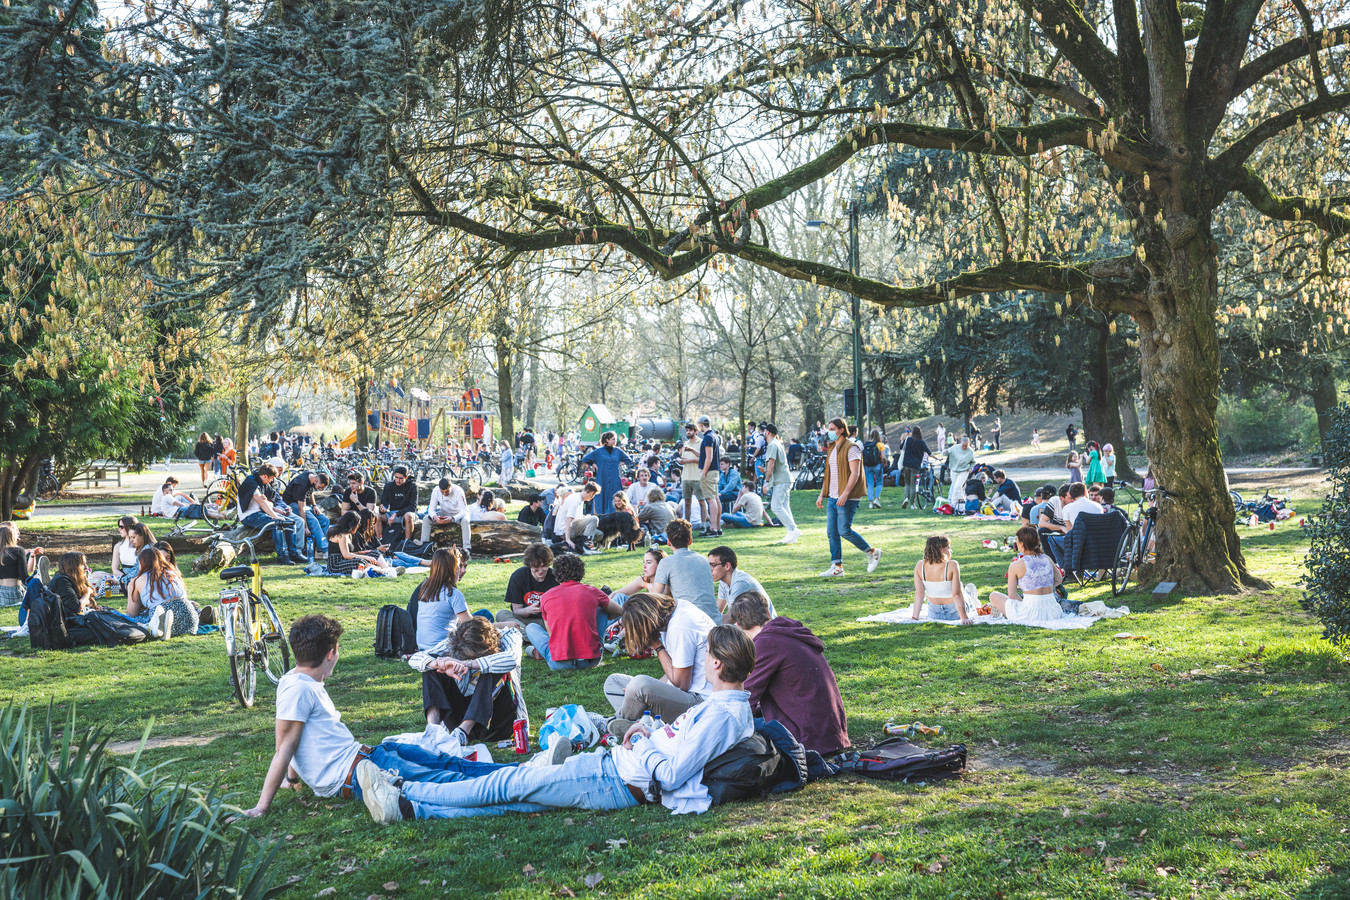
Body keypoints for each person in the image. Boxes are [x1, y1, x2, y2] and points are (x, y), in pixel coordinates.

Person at [355, 625, 756, 822]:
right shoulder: (727, 707)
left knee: (506, 784)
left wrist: (641, 745)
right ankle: (410, 808)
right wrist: (647, 730)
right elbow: (679, 748)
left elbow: (670, 774)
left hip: (615, 777)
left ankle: (404, 789)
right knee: (514, 801)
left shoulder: (723, 715)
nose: (702, 659)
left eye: (707, 654)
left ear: (717, 663)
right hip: (617, 770)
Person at [239, 615, 562, 821]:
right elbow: (285, 746)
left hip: (372, 754)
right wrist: (262, 806)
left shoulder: (296, 682)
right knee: (448, 779)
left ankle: (526, 769)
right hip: (362, 772)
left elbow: (293, 741)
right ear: (332, 652)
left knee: (449, 764)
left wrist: (292, 779)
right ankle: (533, 781)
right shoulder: (300, 690)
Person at [727, 592, 850, 756]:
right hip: (832, 734)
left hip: (808, 739)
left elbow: (746, 696)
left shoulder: (766, 643)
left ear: (739, 625)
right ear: (767, 613)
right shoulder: (787, 632)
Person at [602, 591, 719, 735]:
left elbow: (682, 683)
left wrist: (657, 646)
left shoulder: (680, 627)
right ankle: (641, 724)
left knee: (639, 685)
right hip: (687, 693)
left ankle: (613, 721)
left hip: (700, 703)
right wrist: (646, 694)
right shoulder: (673, 613)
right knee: (613, 682)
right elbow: (675, 671)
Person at [411, 615, 527, 746]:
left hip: (499, 721)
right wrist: (439, 664)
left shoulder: (509, 635)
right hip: (461, 715)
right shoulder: (457, 640)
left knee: (493, 667)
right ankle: (433, 730)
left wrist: (467, 664)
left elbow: (511, 659)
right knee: (431, 668)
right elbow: (416, 658)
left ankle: (463, 731)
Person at [525, 553, 624, 670]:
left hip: (559, 663)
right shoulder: (592, 591)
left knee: (531, 627)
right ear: (581, 572)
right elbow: (619, 611)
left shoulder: (546, 596)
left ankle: (538, 651)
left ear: (556, 573)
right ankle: (594, 643)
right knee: (602, 608)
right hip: (591, 660)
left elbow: (551, 634)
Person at [816, 417, 882, 578]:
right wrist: (822, 494)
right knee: (832, 532)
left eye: (832, 429)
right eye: (829, 429)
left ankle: (872, 552)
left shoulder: (851, 447)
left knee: (844, 529)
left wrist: (845, 493)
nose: (830, 432)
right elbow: (829, 474)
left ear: (841, 430)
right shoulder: (832, 447)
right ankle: (837, 566)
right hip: (833, 496)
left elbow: (855, 473)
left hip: (847, 496)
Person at [988, 527, 1064, 623]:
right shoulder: (1047, 558)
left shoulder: (1016, 565)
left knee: (993, 596)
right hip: (1053, 610)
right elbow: (1059, 580)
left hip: (1030, 612)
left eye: (1017, 541)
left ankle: (1002, 611)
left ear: (1022, 543)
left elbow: (1012, 595)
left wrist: (1026, 601)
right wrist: (1045, 587)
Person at [648, 519, 719, 622]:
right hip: (714, 619)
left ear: (668, 542)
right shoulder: (703, 560)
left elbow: (655, 597)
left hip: (689, 621)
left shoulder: (666, 562)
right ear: (690, 540)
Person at [238, 463, 307, 564]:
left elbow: (267, 503)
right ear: (265, 476)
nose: (271, 481)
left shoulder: (261, 482)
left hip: (260, 513)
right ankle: (282, 556)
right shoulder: (251, 483)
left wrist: (278, 511)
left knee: (290, 523)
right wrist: (275, 517)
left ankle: (293, 553)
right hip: (249, 516)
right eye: (271, 479)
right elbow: (261, 503)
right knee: (277, 524)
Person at [126, 546, 199, 638]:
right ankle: (159, 626)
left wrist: (130, 589)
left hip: (163, 612)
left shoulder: (138, 580)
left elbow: (132, 614)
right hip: (190, 622)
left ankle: (155, 627)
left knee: (129, 619)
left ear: (142, 563)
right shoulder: (173, 572)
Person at [407, 548, 471, 650]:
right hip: (444, 650)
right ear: (452, 568)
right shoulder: (454, 594)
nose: (461, 570)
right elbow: (471, 626)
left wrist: (452, 553)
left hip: (422, 648)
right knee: (484, 615)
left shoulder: (425, 587)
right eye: (459, 566)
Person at [910, 535, 973, 624]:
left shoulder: (920, 565)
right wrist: (964, 618)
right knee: (960, 587)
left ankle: (969, 596)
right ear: (942, 550)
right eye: (949, 548)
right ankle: (970, 598)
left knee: (958, 588)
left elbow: (919, 594)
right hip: (954, 613)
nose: (951, 551)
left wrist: (914, 618)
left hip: (934, 613)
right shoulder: (952, 564)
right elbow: (956, 594)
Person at [495, 543, 559, 629]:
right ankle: (530, 635)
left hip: (547, 621)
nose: (540, 571)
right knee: (501, 614)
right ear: (529, 565)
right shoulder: (518, 576)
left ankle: (527, 635)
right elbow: (517, 610)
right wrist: (529, 610)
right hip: (524, 620)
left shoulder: (556, 578)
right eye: (535, 567)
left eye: (543, 566)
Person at [707, 546, 773, 619]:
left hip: (763, 628)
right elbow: (717, 612)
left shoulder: (741, 583)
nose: (709, 570)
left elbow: (729, 619)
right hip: (747, 624)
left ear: (727, 566)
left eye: (713, 565)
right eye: (708, 565)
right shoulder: (724, 581)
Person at [761, 424, 799, 544]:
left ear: (767, 432)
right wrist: (765, 470)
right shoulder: (777, 443)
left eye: (764, 431)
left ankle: (793, 530)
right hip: (785, 479)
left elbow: (771, 463)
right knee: (785, 507)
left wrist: (766, 481)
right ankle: (792, 534)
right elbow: (773, 464)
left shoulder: (772, 445)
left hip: (781, 481)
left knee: (776, 507)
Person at [283, 469, 332, 561]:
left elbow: (311, 492)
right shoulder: (301, 485)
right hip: (292, 504)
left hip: (305, 504)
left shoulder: (312, 476)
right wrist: (306, 527)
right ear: (316, 481)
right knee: (313, 521)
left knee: (325, 520)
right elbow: (301, 509)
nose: (320, 489)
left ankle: (319, 551)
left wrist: (314, 505)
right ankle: (325, 549)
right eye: (320, 487)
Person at [582, 431, 633, 516]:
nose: (615, 441)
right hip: (602, 478)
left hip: (614, 478)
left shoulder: (618, 451)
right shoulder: (598, 451)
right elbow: (585, 459)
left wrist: (619, 463)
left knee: (616, 496)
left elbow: (628, 460)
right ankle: (600, 516)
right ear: (607, 440)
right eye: (613, 439)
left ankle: (615, 515)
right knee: (601, 496)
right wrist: (594, 464)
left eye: (615, 439)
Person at [423, 478, 472, 552]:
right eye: (442, 492)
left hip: (458, 514)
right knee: (426, 518)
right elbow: (431, 509)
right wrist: (435, 517)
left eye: (447, 491)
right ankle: (424, 546)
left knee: (465, 520)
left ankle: (467, 548)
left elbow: (464, 511)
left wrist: (452, 518)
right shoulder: (436, 490)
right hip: (444, 512)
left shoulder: (459, 491)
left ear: (451, 486)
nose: (444, 494)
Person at [48, 551, 98, 618]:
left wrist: (92, 607)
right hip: (67, 624)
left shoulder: (74, 580)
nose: (86, 567)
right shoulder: (61, 581)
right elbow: (77, 608)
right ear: (73, 567)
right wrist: (87, 593)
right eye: (83, 564)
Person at [696, 416, 722, 537]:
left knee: (710, 499)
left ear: (701, 424)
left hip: (709, 471)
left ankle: (712, 528)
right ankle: (717, 527)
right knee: (715, 498)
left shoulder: (707, 438)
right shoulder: (715, 436)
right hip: (716, 471)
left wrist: (704, 472)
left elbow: (709, 457)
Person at [555, 482, 601, 554]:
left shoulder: (580, 499)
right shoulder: (576, 500)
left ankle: (580, 544)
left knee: (599, 534)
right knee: (594, 519)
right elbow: (568, 519)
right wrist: (568, 539)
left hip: (573, 527)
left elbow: (578, 517)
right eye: (594, 495)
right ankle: (585, 547)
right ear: (591, 493)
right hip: (565, 530)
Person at [379, 466, 420, 544]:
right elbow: (384, 502)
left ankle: (407, 543)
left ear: (406, 477)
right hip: (392, 513)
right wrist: (383, 508)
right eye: (396, 477)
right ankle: (379, 542)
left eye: (401, 478)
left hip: (406, 512)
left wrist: (396, 514)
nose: (398, 480)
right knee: (377, 516)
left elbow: (413, 507)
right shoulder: (389, 485)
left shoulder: (412, 486)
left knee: (409, 516)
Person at [0, 522, 37, 608]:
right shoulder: (18, 551)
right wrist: (36, 577)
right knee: (36, 579)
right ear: (11, 536)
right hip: (14, 595)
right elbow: (24, 578)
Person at [897, 426, 931, 510]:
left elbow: (901, 447)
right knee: (913, 485)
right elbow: (929, 452)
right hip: (915, 466)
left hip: (906, 465)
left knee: (907, 483)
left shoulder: (907, 440)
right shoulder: (921, 442)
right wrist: (938, 458)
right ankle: (912, 504)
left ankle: (906, 498)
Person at [678, 422, 703, 526]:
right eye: (687, 430)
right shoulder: (686, 443)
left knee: (701, 502)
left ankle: (704, 525)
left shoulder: (701, 443)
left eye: (690, 430)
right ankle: (687, 525)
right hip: (686, 476)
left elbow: (703, 459)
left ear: (695, 432)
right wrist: (680, 460)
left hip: (697, 476)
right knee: (687, 502)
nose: (688, 432)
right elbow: (684, 458)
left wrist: (691, 460)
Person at [944, 435, 976, 514]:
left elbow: (973, 462)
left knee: (956, 487)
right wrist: (945, 452)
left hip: (964, 471)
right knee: (958, 489)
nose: (964, 447)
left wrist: (971, 468)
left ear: (969, 444)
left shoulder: (970, 451)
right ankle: (965, 504)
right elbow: (945, 453)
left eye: (966, 446)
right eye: (963, 445)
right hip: (954, 471)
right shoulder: (955, 448)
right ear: (960, 443)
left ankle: (952, 505)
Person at [862, 428, 887, 509]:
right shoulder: (880, 444)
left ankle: (870, 503)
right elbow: (883, 456)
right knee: (879, 482)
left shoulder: (866, 444)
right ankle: (876, 499)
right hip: (877, 465)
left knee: (870, 484)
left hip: (867, 466)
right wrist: (884, 461)